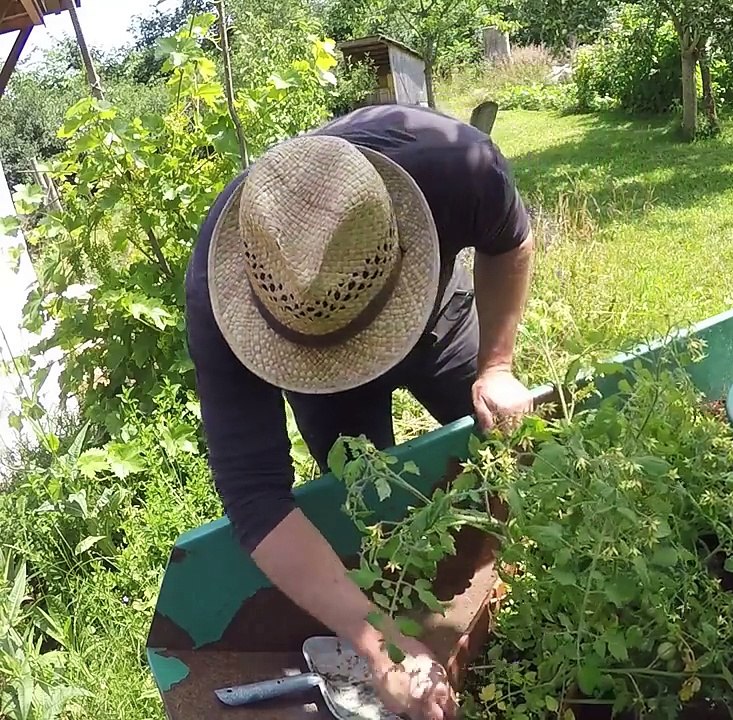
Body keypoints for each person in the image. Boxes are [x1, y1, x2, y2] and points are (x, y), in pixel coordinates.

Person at [184, 103, 537, 720]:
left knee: (505, 447)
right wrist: (380, 644)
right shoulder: (230, 291)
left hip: (437, 315)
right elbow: (255, 497)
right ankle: (395, 595)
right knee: (366, 499)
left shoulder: (456, 162)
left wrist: (498, 364)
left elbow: (511, 242)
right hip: (324, 378)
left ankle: (519, 564)